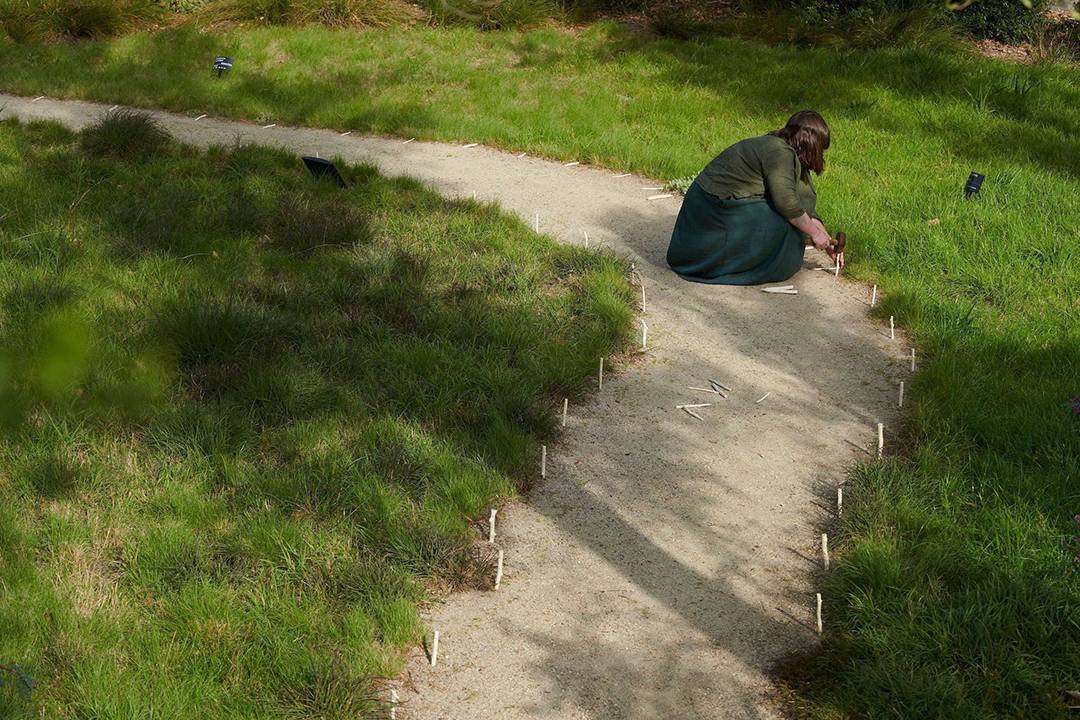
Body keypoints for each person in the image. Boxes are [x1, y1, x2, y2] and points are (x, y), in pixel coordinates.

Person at [666, 110, 842, 285]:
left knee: (796, 224)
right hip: (710, 209)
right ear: (811, 145)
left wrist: (826, 242)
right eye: (820, 150)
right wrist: (814, 233)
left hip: (720, 204)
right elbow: (788, 205)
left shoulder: (786, 151)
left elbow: (803, 203)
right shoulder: (779, 153)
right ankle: (729, 265)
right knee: (786, 227)